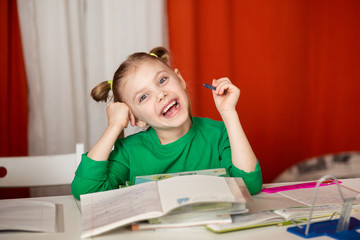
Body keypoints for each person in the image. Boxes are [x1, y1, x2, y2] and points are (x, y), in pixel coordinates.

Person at [71, 47, 262, 200]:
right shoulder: (130, 151)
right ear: (135, 118)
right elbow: (85, 190)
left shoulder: (219, 133)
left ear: (179, 79)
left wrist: (229, 113)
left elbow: (249, 185)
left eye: (162, 80)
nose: (160, 94)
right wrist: (114, 127)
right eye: (144, 97)